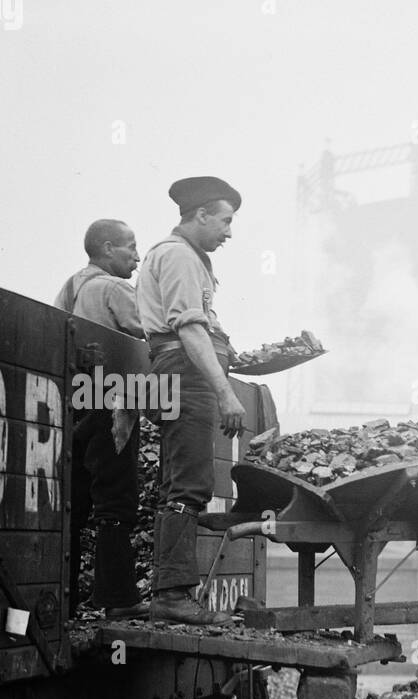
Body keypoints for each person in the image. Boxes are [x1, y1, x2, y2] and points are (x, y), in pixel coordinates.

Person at [135, 177, 247, 625]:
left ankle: (171, 590)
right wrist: (227, 393)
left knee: (178, 481)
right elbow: (188, 329)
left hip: (180, 371)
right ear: (199, 215)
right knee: (190, 484)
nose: (229, 232)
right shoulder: (179, 256)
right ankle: (173, 596)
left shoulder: (186, 257)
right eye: (225, 220)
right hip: (186, 374)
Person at [53, 220, 148, 620]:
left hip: (75, 405)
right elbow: (154, 331)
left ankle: (66, 602)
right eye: (130, 248)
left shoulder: (71, 286)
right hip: (112, 403)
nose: (137, 257)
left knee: (73, 505)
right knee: (117, 501)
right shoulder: (115, 288)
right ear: (107, 249)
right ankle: (118, 598)